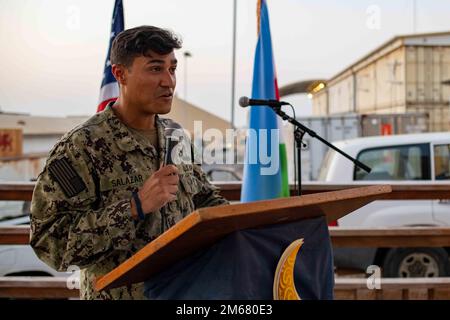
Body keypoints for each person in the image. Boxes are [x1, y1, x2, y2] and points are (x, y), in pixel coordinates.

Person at [30, 25, 229, 300]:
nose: (169, 81)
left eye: (172, 69)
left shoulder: (176, 136)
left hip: (185, 292)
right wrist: (134, 207)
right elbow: (50, 243)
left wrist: (248, 222)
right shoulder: (81, 147)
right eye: (155, 69)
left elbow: (204, 201)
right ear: (120, 74)